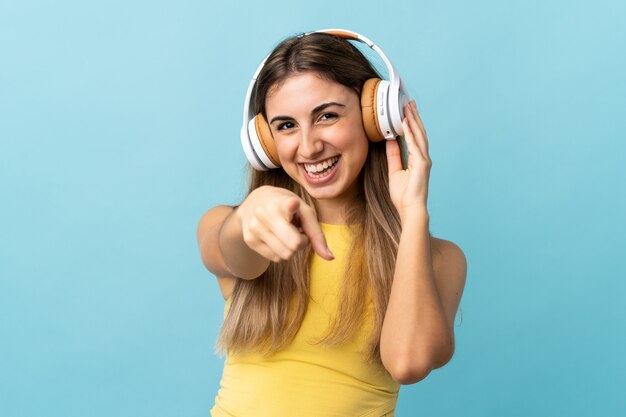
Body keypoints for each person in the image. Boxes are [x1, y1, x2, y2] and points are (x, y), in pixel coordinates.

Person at [197, 29, 467, 417]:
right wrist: (250, 215)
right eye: (286, 125)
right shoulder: (236, 225)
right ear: (266, 144)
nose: (308, 147)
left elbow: (409, 362)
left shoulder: (438, 257)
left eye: (326, 116)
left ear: (376, 117)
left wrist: (412, 217)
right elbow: (232, 253)